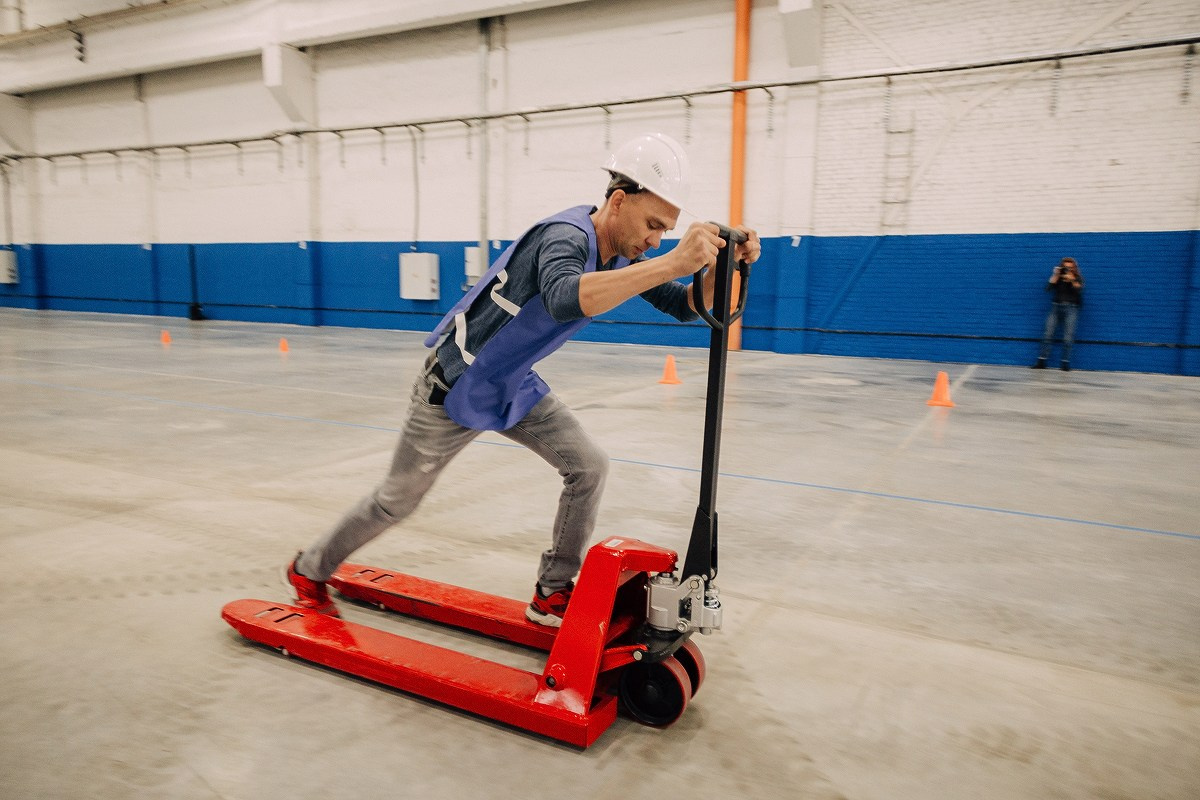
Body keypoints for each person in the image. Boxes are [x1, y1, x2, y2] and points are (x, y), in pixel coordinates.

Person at [284, 132, 761, 627]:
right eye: (653, 225)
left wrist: (727, 269)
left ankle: (552, 591)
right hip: (453, 384)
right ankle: (309, 568)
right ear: (619, 201)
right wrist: (671, 261)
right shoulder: (565, 236)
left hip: (510, 381)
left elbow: (687, 307)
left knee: (589, 467)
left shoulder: (623, 251)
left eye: (665, 232)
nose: (655, 240)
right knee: (395, 501)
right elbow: (565, 296)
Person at [1033, 256, 1084, 371]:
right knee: (1048, 334)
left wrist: (1072, 279)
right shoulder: (1058, 278)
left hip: (1072, 308)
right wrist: (1056, 274)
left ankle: (1065, 362)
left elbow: (1079, 289)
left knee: (1068, 337)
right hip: (1056, 307)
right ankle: (1041, 361)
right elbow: (1048, 288)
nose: (1067, 269)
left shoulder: (1078, 277)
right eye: (1065, 267)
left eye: (1070, 268)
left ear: (1074, 268)